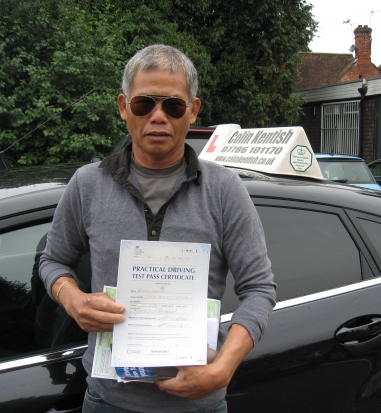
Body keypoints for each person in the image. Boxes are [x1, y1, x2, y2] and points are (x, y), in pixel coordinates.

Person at [39, 44, 276, 413]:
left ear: (193, 110)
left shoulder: (225, 189)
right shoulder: (87, 185)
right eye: (144, 103)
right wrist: (73, 298)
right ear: (123, 107)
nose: (158, 116)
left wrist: (224, 368)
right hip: (107, 400)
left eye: (173, 105)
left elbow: (260, 289)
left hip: (198, 405)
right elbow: (53, 261)